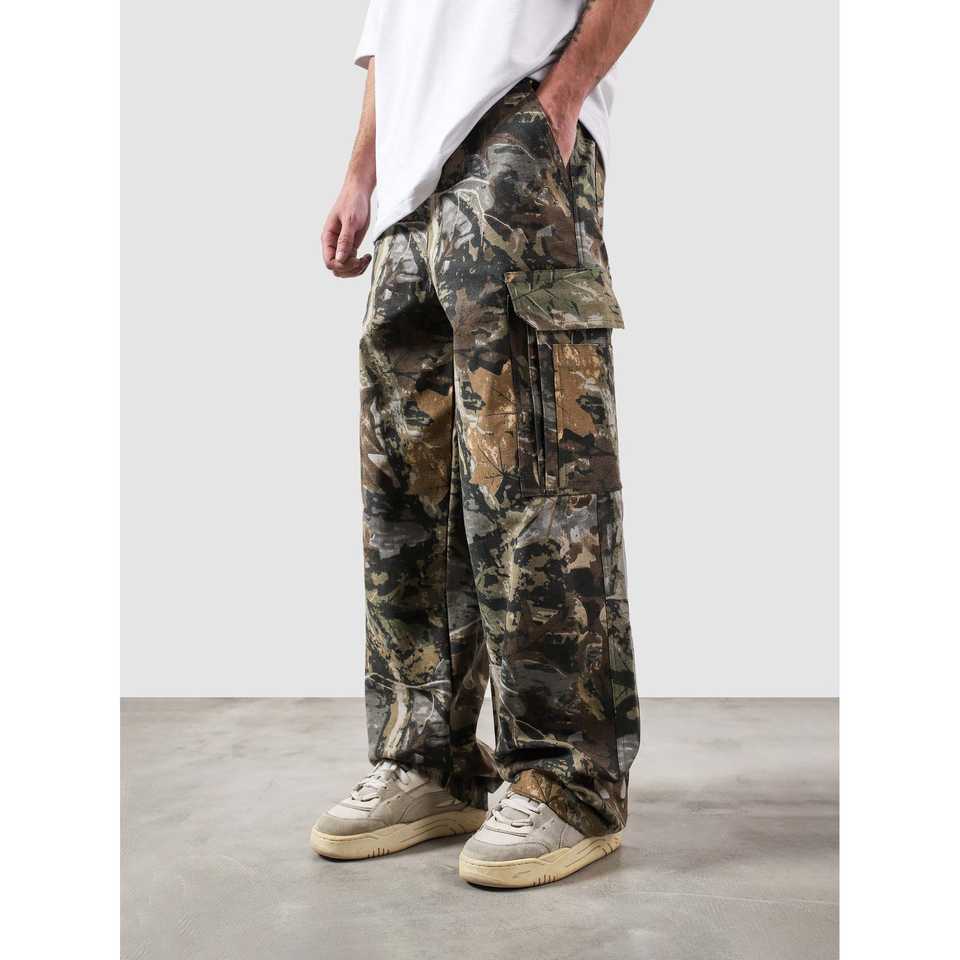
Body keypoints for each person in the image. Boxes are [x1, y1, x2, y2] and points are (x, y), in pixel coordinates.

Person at [311, 0, 654, 889]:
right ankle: (426, 758)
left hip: (516, 138)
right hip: (406, 187)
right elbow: (393, 31)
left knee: (537, 477)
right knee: (406, 493)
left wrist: (560, 98)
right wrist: (362, 172)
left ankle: (568, 780)